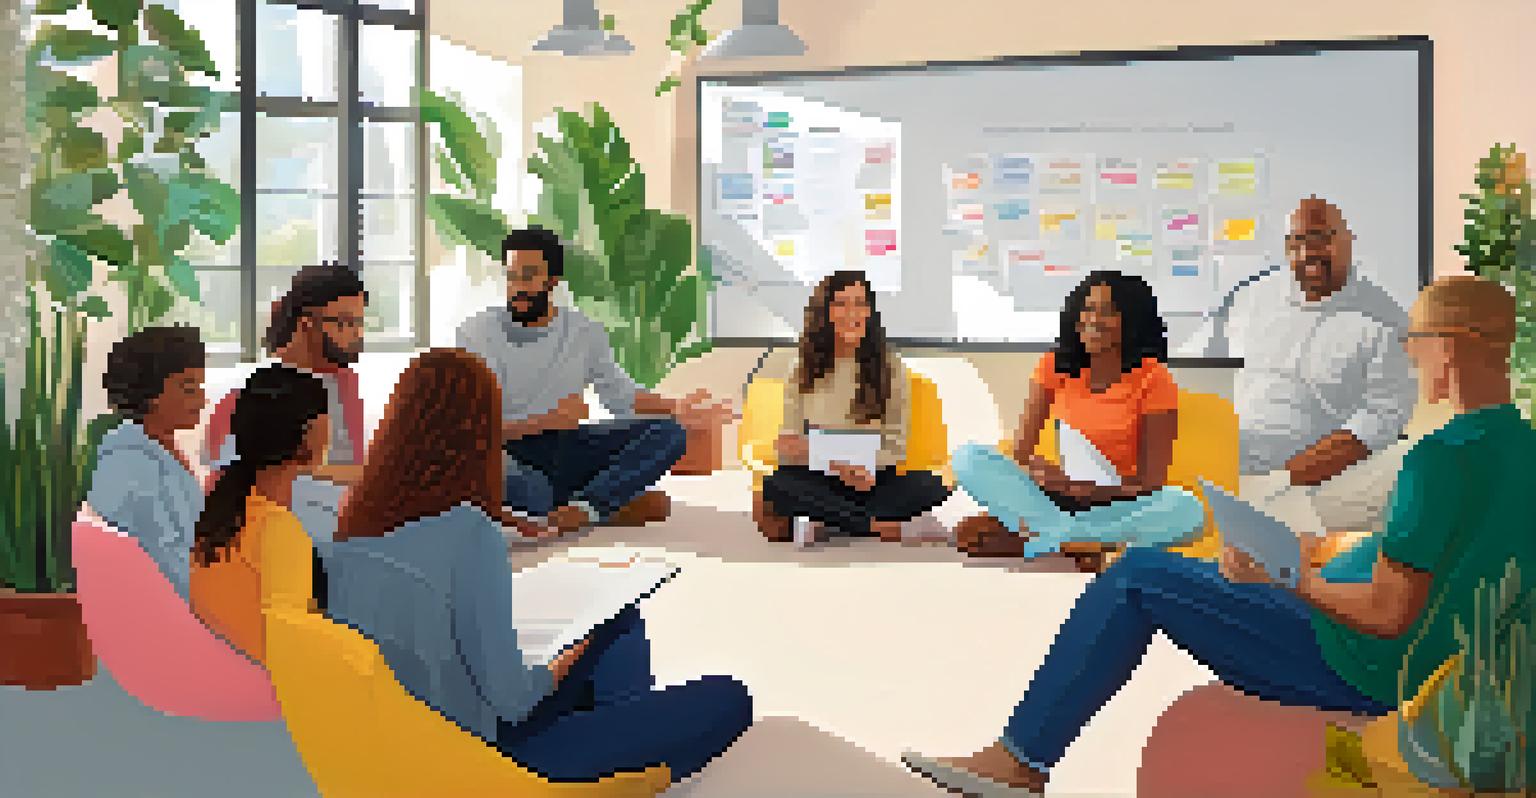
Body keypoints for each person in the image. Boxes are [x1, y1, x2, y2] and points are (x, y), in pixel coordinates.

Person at [900, 274, 1535, 797]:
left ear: (1450, 347)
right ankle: (1063, 545)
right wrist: (1329, 550)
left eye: (1415, 340)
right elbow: (1448, 562)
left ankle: (1020, 762)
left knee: (1137, 575)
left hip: (1361, 663)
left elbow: (1388, 613)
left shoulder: (1440, 458)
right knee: (1190, 555)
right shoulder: (1521, 445)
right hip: (1434, 657)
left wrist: (1286, 576)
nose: (1409, 354)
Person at [326, 348, 753, 784]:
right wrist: (570, 652)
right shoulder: (471, 536)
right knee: (728, 698)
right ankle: (615, 767)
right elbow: (514, 700)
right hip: (483, 757)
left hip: (405, 735)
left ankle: (619, 756)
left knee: (619, 621)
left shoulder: (351, 521)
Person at [457, 227, 735, 537]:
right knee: (532, 495)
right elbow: (473, 429)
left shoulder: (584, 331)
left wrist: (679, 407)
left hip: (569, 446)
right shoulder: (476, 333)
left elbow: (621, 397)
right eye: (511, 276)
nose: (518, 287)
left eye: (529, 276)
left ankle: (585, 507)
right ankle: (604, 500)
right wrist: (546, 421)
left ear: (553, 279)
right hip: (507, 452)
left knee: (669, 432)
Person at [1197, 196, 1418, 555]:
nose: (1307, 253)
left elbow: (1383, 417)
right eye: (1296, 242)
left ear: (1348, 241)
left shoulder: (1385, 317)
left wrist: (1284, 478)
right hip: (1234, 460)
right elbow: (1205, 358)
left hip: (1318, 479)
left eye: (1320, 238)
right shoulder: (1252, 298)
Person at [948, 271, 1206, 564]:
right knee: (968, 457)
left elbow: (1150, 483)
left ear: (1132, 321)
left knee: (1187, 508)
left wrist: (1095, 491)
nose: (1093, 320)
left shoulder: (1154, 378)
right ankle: (1075, 539)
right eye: (1088, 309)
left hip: (1117, 502)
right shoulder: (1054, 365)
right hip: (1056, 498)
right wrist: (1045, 476)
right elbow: (1020, 455)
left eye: (1107, 311)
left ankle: (1057, 536)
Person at [756, 270, 951, 543]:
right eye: (841, 303)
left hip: (872, 477)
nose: (853, 313)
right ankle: (881, 527)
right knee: (776, 485)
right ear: (825, 312)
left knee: (931, 485)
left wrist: (864, 470)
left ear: (870, 312)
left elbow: (896, 446)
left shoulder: (890, 367)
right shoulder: (802, 368)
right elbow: (789, 448)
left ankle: (829, 520)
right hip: (819, 476)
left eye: (860, 303)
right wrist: (836, 465)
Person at [203, 262, 367, 546]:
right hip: (267, 536)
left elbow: (355, 466)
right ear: (307, 322)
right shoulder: (251, 387)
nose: (357, 334)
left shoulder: (346, 384)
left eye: (360, 323)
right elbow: (225, 479)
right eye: (344, 322)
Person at [189, 365, 332, 666]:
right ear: (311, 433)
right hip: (264, 684)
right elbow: (293, 650)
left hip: (222, 673)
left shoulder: (220, 512)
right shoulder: (279, 532)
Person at [87, 326, 207, 600]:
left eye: (200, 387)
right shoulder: (130, 464)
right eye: (189, 388)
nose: (201, 400)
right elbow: (163, 558)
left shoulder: (161, 450)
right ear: (150, 394)